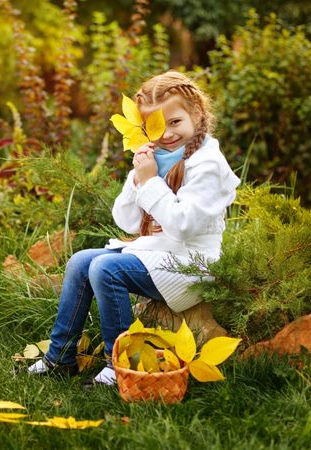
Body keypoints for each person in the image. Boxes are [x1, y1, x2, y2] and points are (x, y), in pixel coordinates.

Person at [27, 70, 241, 385]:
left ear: (196, 115)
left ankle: (122, 364)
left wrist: (151, 180)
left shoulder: (207, 164)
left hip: (192, 263)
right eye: (155, 125)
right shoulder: (162, 157)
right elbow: (127, 221)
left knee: (105, 269)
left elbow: (182, 226)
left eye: (175, 122)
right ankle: (60, 357)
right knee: (81, 261)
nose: (166, 134)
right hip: (159, 254)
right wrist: (138, 176)